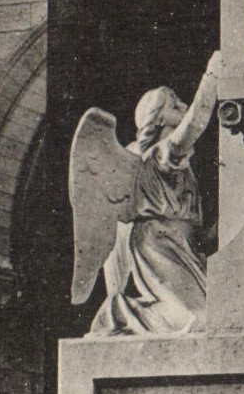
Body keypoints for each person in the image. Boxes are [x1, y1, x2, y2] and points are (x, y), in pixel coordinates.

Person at [90, 52, 222, 335]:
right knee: (199, 319)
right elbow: (195, 124)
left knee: (213, 315)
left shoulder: (181, 166)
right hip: (157, 243)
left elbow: (189, 223)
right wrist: (212, 77)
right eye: (174, 104)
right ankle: (119, 312)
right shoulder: (160, 155)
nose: (183, 105)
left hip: (180, 245)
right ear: (158, 117)